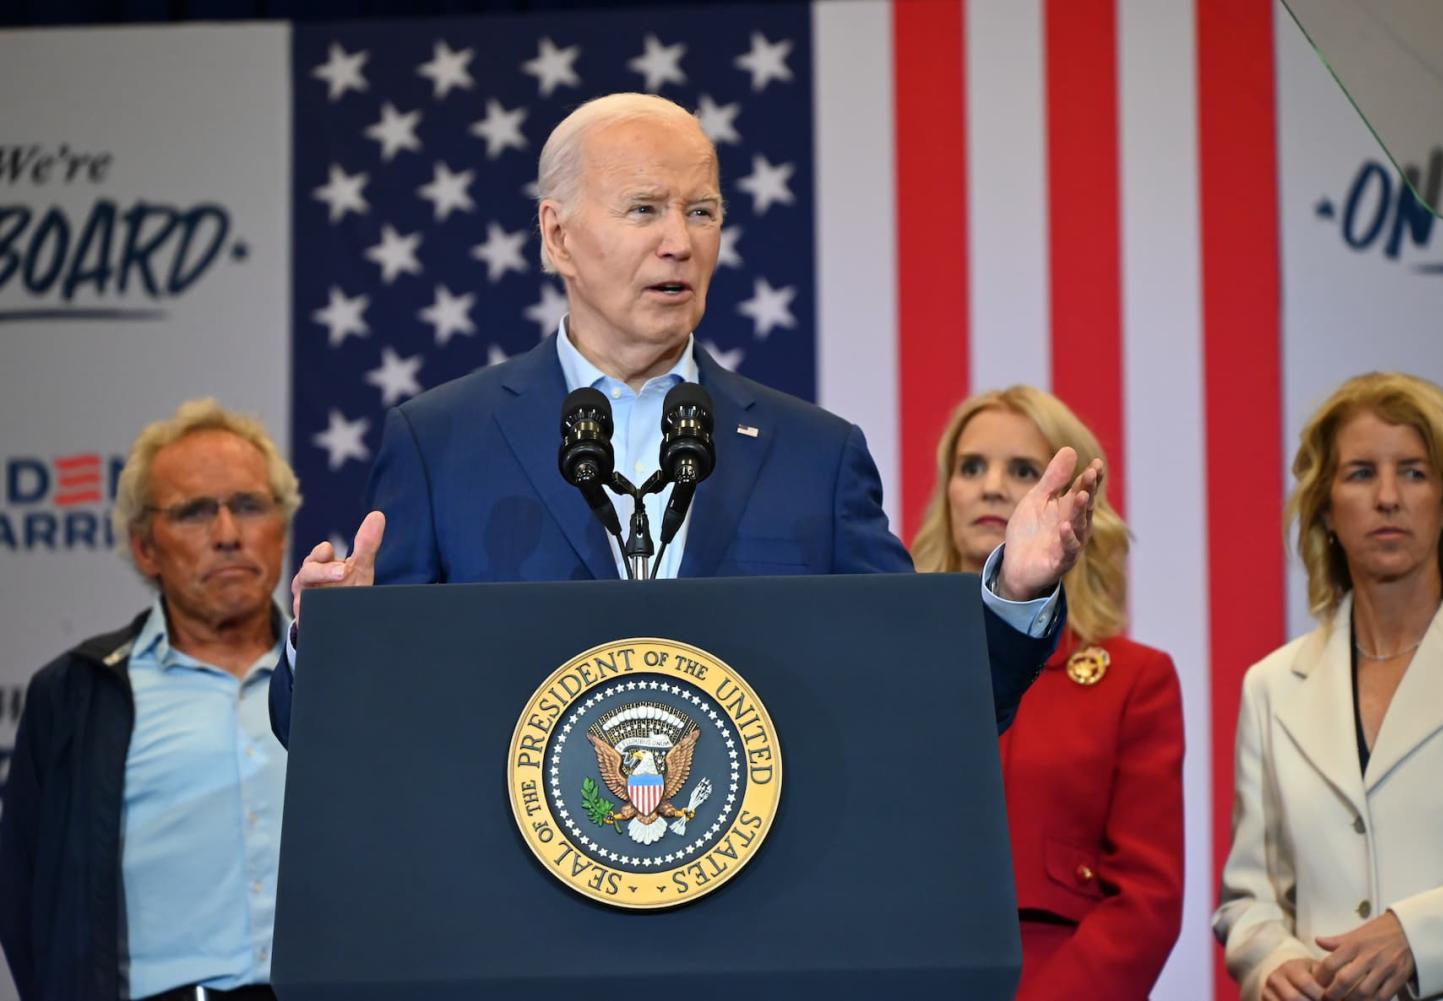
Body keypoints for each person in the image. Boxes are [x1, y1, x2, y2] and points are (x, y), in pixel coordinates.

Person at [269, 92, 1102, 745]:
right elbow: (333, 730)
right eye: (645, 209)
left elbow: (927, 692)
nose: (680, 241)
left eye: (701, 212)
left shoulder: (814, 454)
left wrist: (1012, 594)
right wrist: (332, 645)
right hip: (514, 928)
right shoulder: (440, 441)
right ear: (557, 238)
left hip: (749, 924)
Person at [1215, 372, 1443, 1001]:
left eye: (1415, 473)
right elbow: (1250, 900)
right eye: (1362, 473)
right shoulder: (1271, 686)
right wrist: (1272, 964)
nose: (1389, 497)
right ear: (1325, 506)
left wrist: (1420, 936)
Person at [0, 399, 296, 1001]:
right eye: (193, 512)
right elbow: (30, 907)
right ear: (144, 549)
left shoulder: (334, 673)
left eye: (247, 505)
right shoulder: (76, 694)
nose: (227, 535)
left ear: (282, 529)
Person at [912, 386, 1185, 998]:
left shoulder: (1134, 681)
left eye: (1024, 471)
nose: (992, 486)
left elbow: (1146, 902)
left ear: (1075, 501)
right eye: (971, 466)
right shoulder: (894, 660)